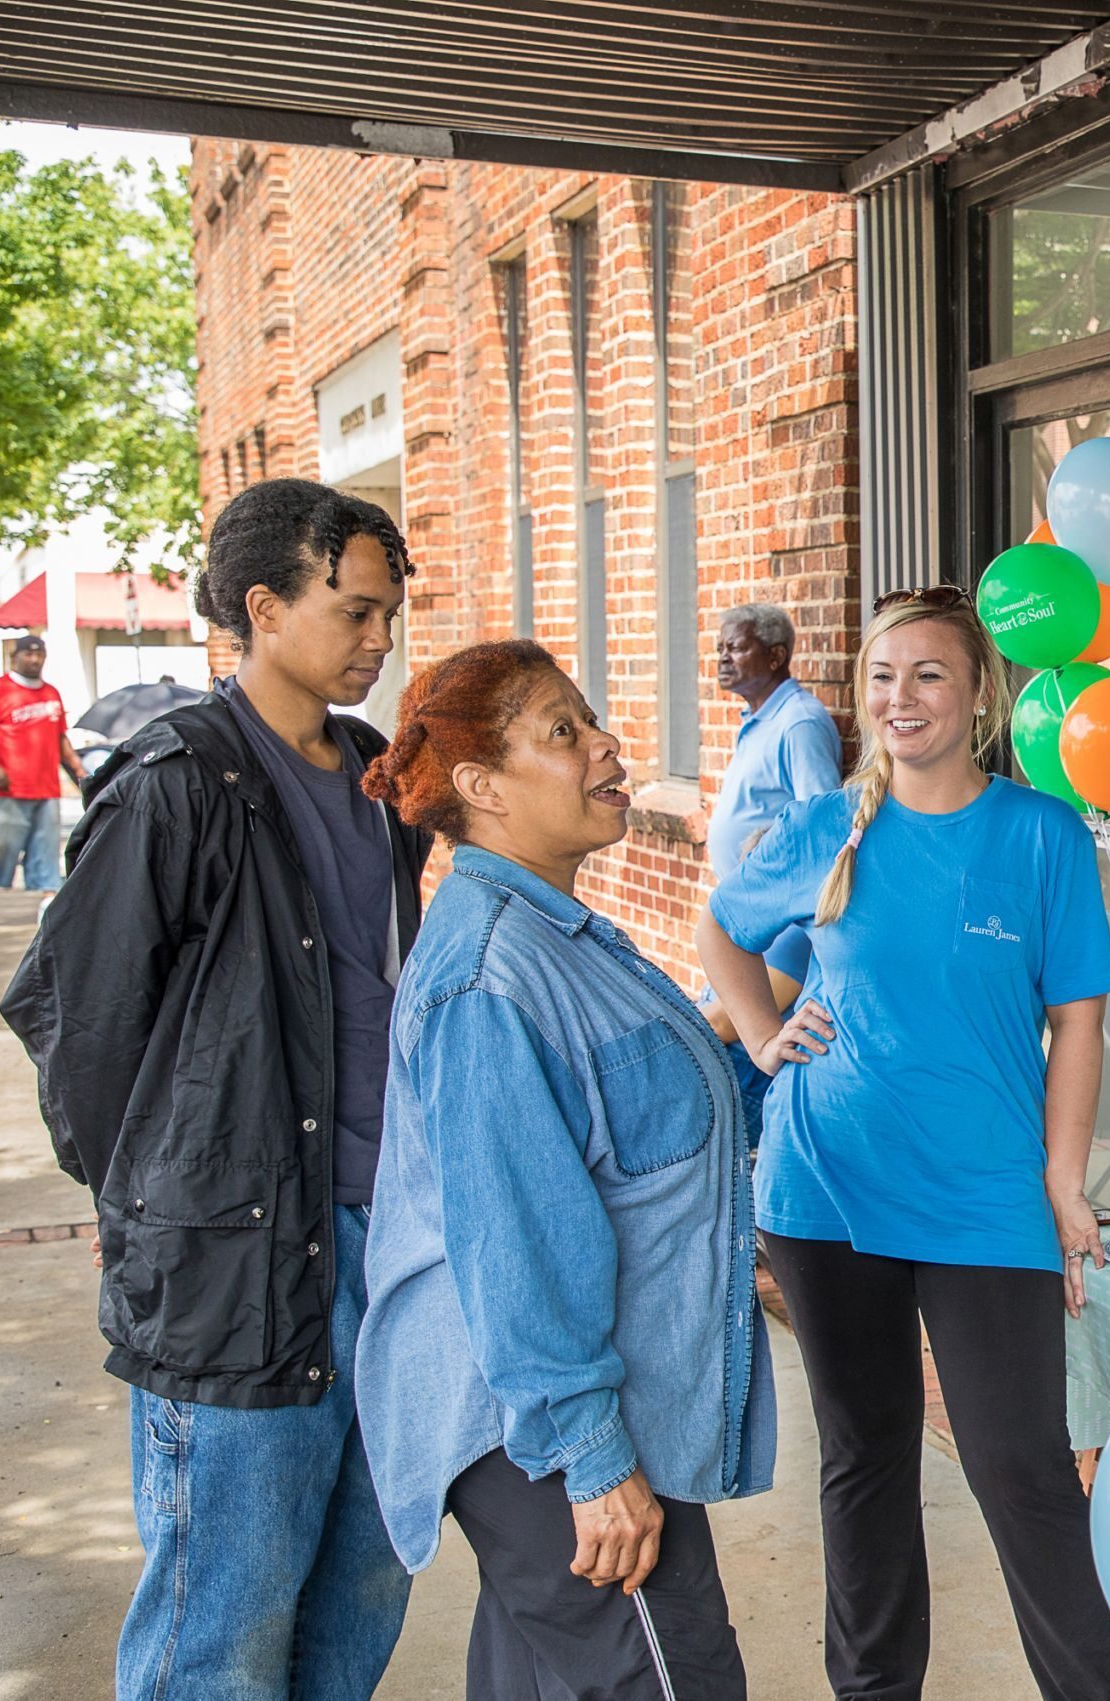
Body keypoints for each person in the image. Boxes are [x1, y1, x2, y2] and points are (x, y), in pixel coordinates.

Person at [0, 478, 426, 1700]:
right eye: (353, 612)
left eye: (389, 614)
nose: (378, 640)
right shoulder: (177, 779)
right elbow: (77, 1016)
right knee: (222, 1625)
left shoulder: (381, 780)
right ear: (263, 607)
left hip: (384, 1247)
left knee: (363, 1588)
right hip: (235, 1263)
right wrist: (141, 1204)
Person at [697, 583, 1110, 1701]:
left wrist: (1062, 1180)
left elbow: (1078, 1023)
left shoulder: (1040, 835)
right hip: (826, 1188)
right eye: (884, 676)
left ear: (976, 691)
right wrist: (761, 1035)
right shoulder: (825, 827)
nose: (903, 697)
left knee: (1023, 1469)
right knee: (866, 1462)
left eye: (929, 673)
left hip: (987, 1195)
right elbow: (719, 926)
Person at [357, 640, 774, 1700]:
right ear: (481, 788)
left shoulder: (559, 937)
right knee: (670, 1679)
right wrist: (594, 1461)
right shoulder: (492, 975)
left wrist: (745, 1047)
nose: (605, 744)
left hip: (570, 1406)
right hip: (540, 1426)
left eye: (590, 721)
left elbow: (622, 1127)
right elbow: (516, 1236)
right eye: (562, 731)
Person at [701, 603, 844, 1107]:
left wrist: (766, 840)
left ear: (777, 655)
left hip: (783, 938)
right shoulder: (761, 720)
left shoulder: (798, 723)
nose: (722, 658)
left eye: (736, 647)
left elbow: (823, 827)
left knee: (731, 1069)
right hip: (748, 931)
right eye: (721, 647)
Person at [0, 633, 88, 889]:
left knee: (45, 851)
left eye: (40, 655)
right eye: (28, 654)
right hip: (6, 787)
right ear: (14, 657)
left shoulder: (51, 692)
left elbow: (59, 736)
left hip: (46, 787)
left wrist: (78, 769)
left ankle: (44, 901)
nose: (35, 660)